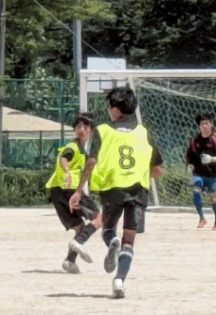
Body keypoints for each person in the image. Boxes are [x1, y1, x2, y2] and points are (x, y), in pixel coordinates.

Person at [71, 86, 162, 299]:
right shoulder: (144, 133)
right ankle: (119, 280)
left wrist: (78, 190)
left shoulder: (103, 131)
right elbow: (157, 170)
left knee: (108, 228)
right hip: (138, 190)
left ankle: (112, 241)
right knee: (129, 240)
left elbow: (91, 162)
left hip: (112, 189)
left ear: (116, 110)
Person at [45, 113, 99, 273]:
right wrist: (67, 172)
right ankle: (80, 242)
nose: (81, 129)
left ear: (91, 130)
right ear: (74, 130)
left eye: (85, 126)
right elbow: (64, 158)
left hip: (56, 191)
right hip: (69, 189)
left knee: (80, 227)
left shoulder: (82, 150)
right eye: (78, 126)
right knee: (99, 217)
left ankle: (70, 261)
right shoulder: (73, 147)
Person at [185, 112, 216, 228]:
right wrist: (189, 165)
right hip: (199, 173)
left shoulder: (214, 139)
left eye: (206, 123)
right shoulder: (195, 141)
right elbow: (189, 157)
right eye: (201, 124)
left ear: (211, 124)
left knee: (214, 197)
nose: (204, 126)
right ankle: (202, 218)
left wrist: (212, 159)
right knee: (196, 189)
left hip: (213, 174)